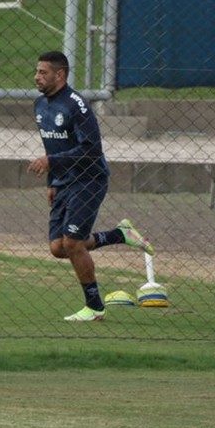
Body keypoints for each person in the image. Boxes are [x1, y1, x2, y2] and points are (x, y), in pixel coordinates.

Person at [27, 51, 155, 322]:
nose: (36, 77)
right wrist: (52, 181)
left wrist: (50, 161)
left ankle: (95, 307)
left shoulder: (77, 106)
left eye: (43, 72)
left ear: (60, 75)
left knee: (72, 242)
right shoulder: (40, 105)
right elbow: (54, 145)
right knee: (58, 248)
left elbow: (92, 150)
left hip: (89, 179)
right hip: (62, 182)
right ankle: (120, 235)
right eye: (37, 72)